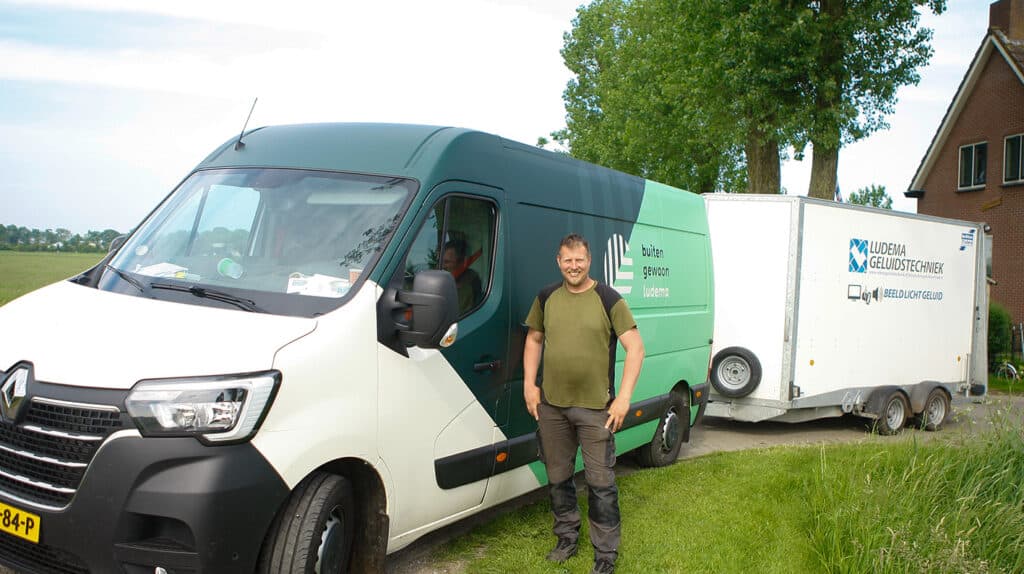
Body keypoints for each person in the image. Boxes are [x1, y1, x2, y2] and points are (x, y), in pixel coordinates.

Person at [522, 233, 645, 574]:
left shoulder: (608, 299)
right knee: (559, 476)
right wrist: (530, 386)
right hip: (552, 406)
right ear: (558, 261)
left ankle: (605, 555)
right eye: (567, 260)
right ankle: (566, 538)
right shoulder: (546, 297)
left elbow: (635, 348)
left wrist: (623, 398)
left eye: (579, 260)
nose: (573, 266)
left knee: (600, 483)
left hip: (596, 410)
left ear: (589, 261)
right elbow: (534, 338)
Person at [442, 238, 482, 313]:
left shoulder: (469, 287)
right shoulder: (444, 282)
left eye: (447, 262)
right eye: (441, 262)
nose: (443, 266)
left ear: (463, 262)